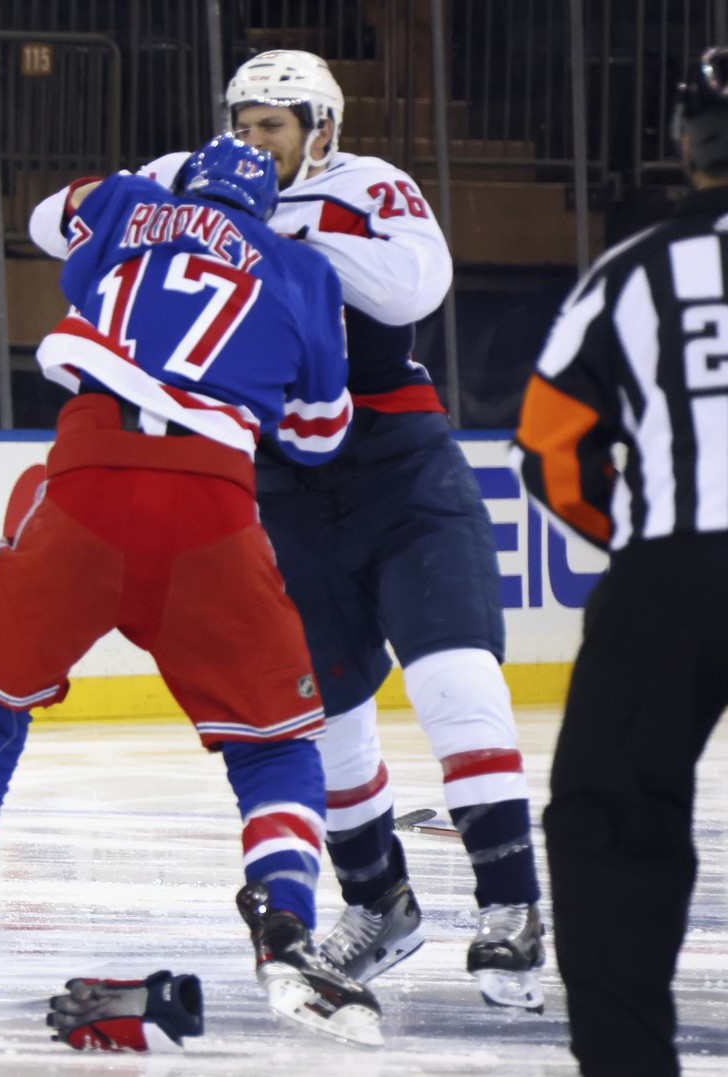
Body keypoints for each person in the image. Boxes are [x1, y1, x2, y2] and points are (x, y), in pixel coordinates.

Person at [0, 134, 383, 1050]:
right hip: (215, 505)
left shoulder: (128, 203)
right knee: (276, 747)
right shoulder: (304, 267)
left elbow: (46, 218)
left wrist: (147, 196)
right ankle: (287, 924)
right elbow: (321, 433)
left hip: (88, 483)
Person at [137, 50, 546, 1010]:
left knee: (456, 680)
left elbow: (412, 292)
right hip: (281, 477)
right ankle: (379, 902)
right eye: (239, 123)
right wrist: (175, 194)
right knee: (327, 719)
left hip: (400, 461)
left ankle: (512, 906)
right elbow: (49, 222)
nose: (249, 142)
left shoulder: (372, 184)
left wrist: (272, 232)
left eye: (269, 125)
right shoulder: (204, 186)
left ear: (320, 128)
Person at [512, 47, 728, 1077]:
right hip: (670, 563)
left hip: (671, 578)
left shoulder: (636, 269)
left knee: (609, 828)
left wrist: (639, 544)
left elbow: (550, 449)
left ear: (688, 144)